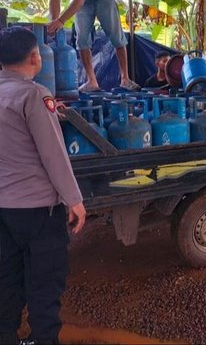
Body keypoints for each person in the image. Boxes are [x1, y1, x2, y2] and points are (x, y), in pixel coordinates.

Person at [0, 27, 86, 345]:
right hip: (37, 210)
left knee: (7, 278)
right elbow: (53, 155)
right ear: (36, 57)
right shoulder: (35, 94)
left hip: (4, 209)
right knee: (44, 284)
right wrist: (74, 200)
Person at [46, 0, 140, 92]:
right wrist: (54, 21)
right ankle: (92, 81)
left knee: (116, 35)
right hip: (84, 2)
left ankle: (125, 78)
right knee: (81, 38)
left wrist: (61, 20)